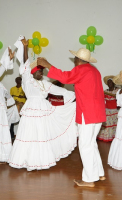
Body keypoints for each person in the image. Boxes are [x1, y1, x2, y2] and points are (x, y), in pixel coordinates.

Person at [38, 47, 106, 188]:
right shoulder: (95, 71)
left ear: (78, 59)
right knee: (91, 144)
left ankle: (88, 179)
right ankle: (98, 172)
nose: (73, 61)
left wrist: (48, 65)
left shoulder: (81, 69)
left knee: (85, 145)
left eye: (74, 58)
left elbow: (65, 77)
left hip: (87, 113)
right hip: (98, 112)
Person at [8, 36, 77, 171]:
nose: (42, 73)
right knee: (28, 134)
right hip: (31, 109)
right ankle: (24, 160)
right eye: (40, 71)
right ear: (33, 72)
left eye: (43, 72)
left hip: (44, 109)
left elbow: (61, 91)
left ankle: (40, 160)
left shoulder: (45, 84)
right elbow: (25, 64)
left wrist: (78, 95)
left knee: (41, 134)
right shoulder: (27, 80)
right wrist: (26, 48)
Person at [97, 76, 118, 142]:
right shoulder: (105, 92)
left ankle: (114, 137)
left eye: (111, 82)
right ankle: (107, 137)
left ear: (114, 83)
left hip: (114, 111)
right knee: (107, 124)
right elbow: (101, 101)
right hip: (107, 111)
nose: (110, 84)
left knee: (114, 124)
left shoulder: (117, 91)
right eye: (108, 82)